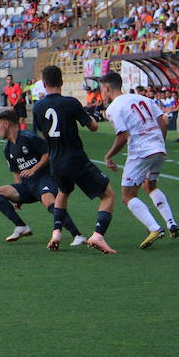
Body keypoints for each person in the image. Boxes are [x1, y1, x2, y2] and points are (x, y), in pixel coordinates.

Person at [33, 65, 117, 254]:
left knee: (63, 191)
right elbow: (93, 127)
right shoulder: (70, 103)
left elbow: (42, 135)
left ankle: (56, 232)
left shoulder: (38, 107)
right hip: (75, 159)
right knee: (108, 195)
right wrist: (90, 117)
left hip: (55, 161)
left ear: (44, 84)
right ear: (61, 82)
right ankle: (98, 235)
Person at [100, 72, 179, 249]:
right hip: (158, 149)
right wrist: (160, 143)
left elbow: (122, 137)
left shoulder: (113, 108)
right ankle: (171, 222)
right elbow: (163, 121)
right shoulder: (141, 98)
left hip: (141, 152)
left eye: (101, 90)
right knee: (150, 185)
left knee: (128, 196)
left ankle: (154, 228)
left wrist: (109, 156)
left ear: (106, 88)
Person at [0, 108, 86, 245]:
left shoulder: (29, 137)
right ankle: (21, 226)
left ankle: (78, 235)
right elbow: (16, 171)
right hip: (28, 185)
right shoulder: (7, 149)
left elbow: (48, 154)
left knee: (48, 201)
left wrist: (34, 169)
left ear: (6, 124)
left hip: (45, 178)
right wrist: (18, 194)